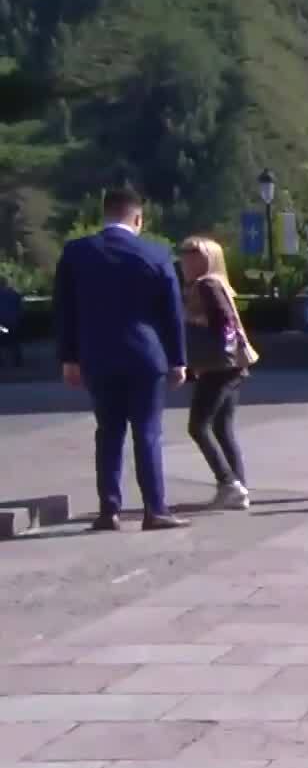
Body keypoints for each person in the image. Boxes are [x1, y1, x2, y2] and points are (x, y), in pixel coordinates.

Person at [53, 187, 189, 531]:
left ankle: (109, 510)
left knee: (108, 432)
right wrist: (178, 360)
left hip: (97, 355)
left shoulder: (76, 253)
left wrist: (69, 357)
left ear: (105, 214)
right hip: (146, 356)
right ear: (138, 218)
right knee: (147, 432)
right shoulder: (156, 254)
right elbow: (173, 312)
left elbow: (64, 310)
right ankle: (155, 510)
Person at [179, 236, 258, 510]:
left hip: (219, 366)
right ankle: (238, 487)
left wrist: (202, 333)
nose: (185, 261)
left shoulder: (206, 284)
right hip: (230, 365)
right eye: (184, 255)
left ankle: (229, 483)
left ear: (209, 259)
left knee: (198, 426)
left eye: (193, 256)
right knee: (222, 427)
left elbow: (225, 322)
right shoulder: (215, 283)